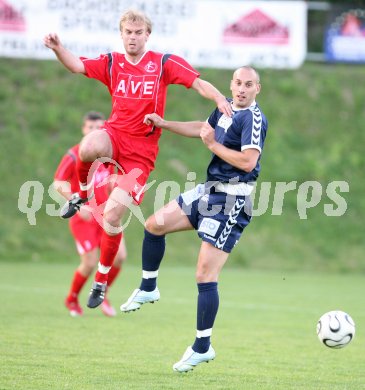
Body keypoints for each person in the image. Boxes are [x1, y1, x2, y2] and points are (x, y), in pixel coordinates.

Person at [43, 9, 232, 309]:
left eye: (138, 32)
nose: (133, 37)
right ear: (122, 35)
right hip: (114, 136)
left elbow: (197, 83)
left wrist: (220, 98)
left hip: (140, 156)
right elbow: (77, 65)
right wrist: (57, 49)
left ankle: (102, 280)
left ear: (147, 35)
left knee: (113, 216)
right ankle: (80, 194)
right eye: (128, 32)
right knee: (88, 144)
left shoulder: (163, 63)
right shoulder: (111, 63)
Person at [120, 66, 268, 372]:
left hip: (231, 200)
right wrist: (164, 124)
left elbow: (248, 160)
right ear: (231, 83)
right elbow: (202, 128)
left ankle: (202, 347)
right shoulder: (226, 107)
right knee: (154, 224)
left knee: (204, 275)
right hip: (208, 191)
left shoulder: (253, 118)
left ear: (257, 89)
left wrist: (214, 146)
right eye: (238, 83)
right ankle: (149, 287)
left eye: (248, 85)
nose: (241, 89)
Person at [54, 111, 127, 317]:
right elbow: (58, 183)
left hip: (105, 214)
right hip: (84, 217)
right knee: (89, 262)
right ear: (83, 130)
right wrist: (77, 203)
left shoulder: (109, 155)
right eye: (90, 128)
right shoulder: (75, 154)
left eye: (99, 128)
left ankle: (102, 293)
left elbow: (113, 180)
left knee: (120, 256)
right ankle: (72, 299)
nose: (95, 131)